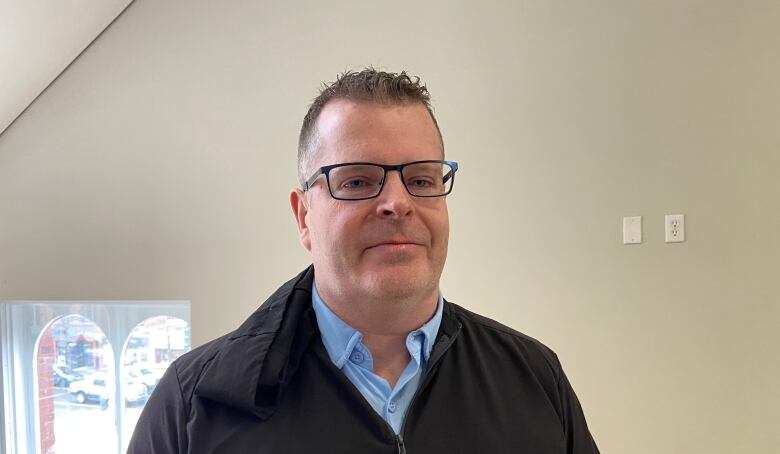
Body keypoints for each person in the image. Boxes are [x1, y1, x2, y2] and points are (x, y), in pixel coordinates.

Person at [127, 68, 600, 453]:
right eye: (356, 181)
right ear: (304, 215)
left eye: (421, 179)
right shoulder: (192, 408)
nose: (398, 202)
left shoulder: (534, 380)